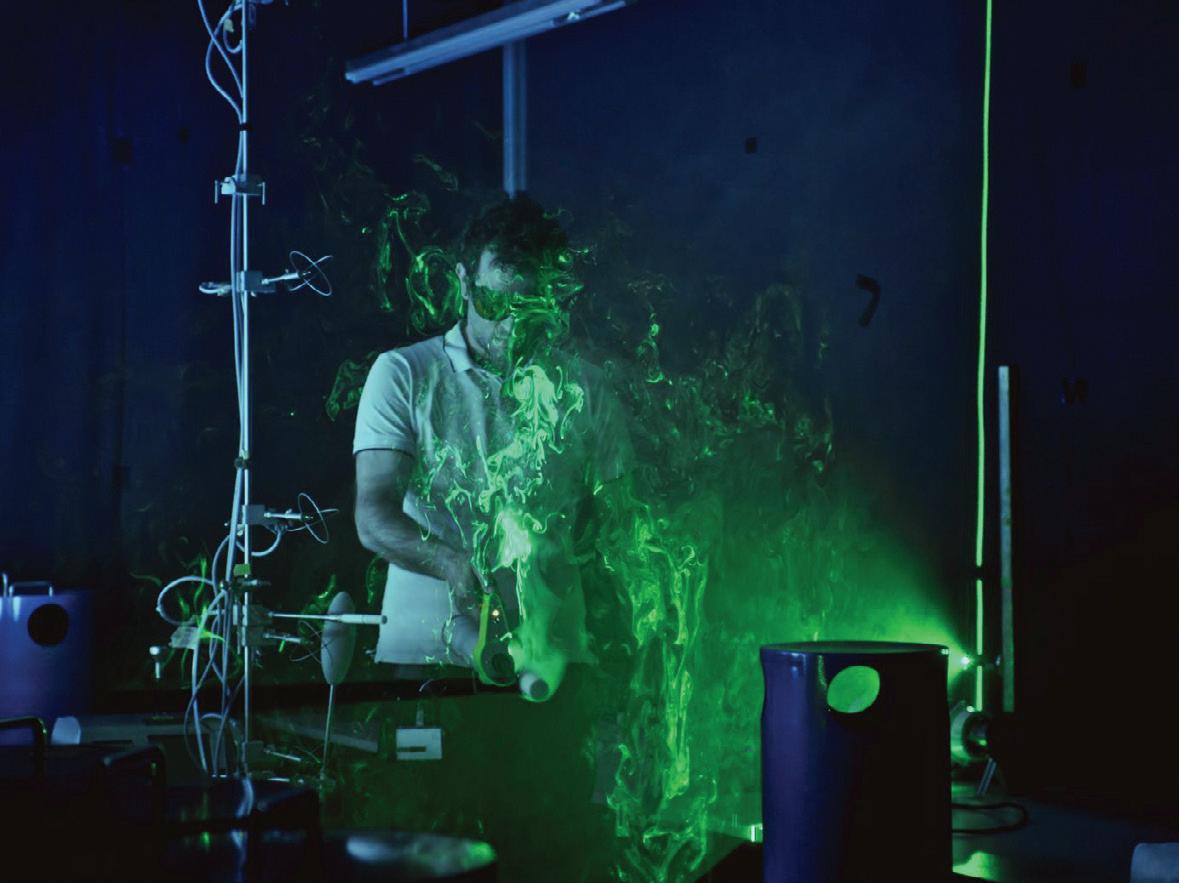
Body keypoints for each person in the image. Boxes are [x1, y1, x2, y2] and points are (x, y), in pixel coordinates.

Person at [352, 194, 631, 696]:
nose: (510, 325)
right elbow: (373, 516)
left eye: (528, 308)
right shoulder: (404, 375)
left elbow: (622, 520)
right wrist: (451, 563)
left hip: (555, 663)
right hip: (429, 663)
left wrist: (569, 558)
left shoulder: (585, 389)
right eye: (494, 304)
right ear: (464, 282)